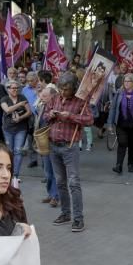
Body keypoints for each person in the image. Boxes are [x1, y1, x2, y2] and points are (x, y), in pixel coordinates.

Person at [41, 74, 92, 232]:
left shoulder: (80, 101)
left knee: (73, 183)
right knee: (60, 182)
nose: (63, 92)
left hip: (70, 146)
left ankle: (78, 218)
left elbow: (90, 120)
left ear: (73, 88)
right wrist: (51, 115)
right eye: (61, 88)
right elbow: (45, 115)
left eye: (67, 89)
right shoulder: (54, 98)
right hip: (53, 145)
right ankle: (65, 213)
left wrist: (70, 116)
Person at [106, 73, 133, 174]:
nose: (126, 83)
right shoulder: (119, 93)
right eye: (125, 81)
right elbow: (113, 109)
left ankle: (130, 164)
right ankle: (119, 165)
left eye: (128, 81)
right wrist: (109, 124)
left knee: (132, 145)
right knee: (122, 143)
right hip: (121, 123)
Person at [0, 80, 33, 183]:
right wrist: (19, 105)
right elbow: (7, 110)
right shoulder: (4, 99)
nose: (15, 90)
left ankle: (15, 175)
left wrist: (20, 118)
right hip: (8, 128)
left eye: (17, 88)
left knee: (18, 151)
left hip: (21, 128)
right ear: (8, 89)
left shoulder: (22, 98)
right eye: (13, 88)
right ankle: (8, 173)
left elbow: (29, 112)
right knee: (10, 152)